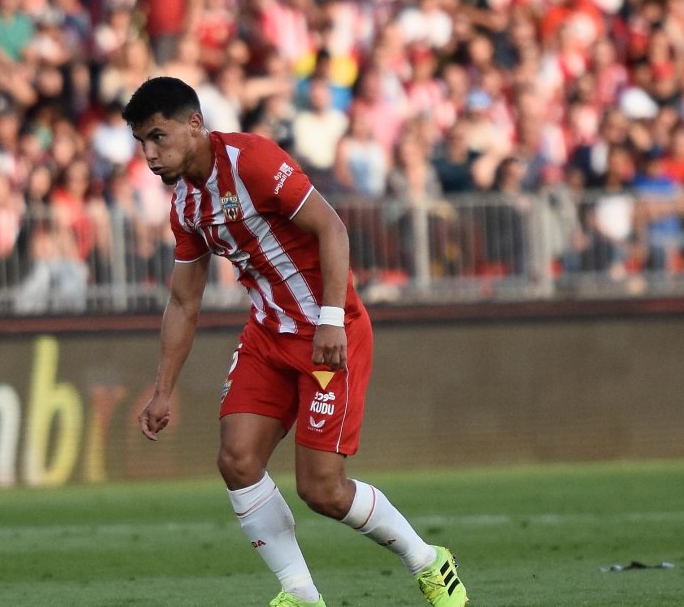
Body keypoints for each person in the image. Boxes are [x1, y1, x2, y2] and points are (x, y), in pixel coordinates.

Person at [122, 77, 468, 607]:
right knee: (236, 460)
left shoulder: (252, 160)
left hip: (331, 332)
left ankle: (428, 561)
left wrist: (330, 318)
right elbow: (184, 301)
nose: (149, 155)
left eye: (157, 137)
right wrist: (163, 389)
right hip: (268, 335)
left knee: (323, 490)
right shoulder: (187, 207)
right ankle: (301, 594)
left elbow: (332, 228)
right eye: (141, 142)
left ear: (195, 124)